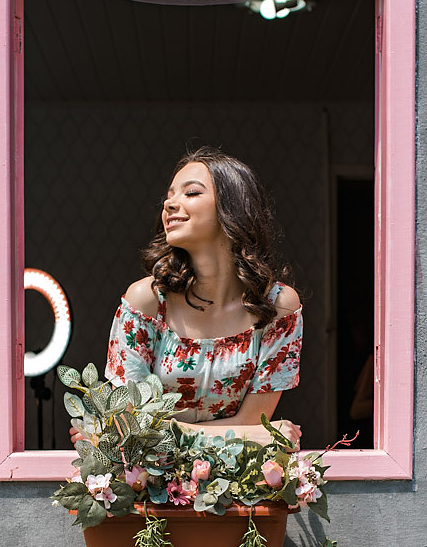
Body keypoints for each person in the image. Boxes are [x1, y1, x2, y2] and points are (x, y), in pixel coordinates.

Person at [94, 147, 303, 449]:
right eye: (169, 195)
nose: (169, 203)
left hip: (236, 490)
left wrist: (174, 429)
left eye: (190, 193)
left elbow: (253, 422)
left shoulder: (278, 308)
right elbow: (132, 430)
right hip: (150, 489)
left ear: (232, 208)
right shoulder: (147, 302)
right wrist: (247, 435)